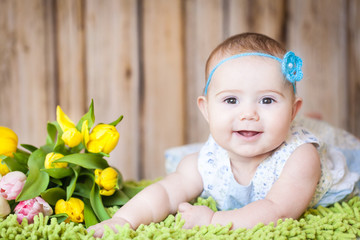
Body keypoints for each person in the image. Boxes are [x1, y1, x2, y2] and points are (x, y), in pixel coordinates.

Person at [88, 32, 360, 237]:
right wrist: (123, 220)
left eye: (267, 100)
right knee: (183, 167)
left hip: (334, 163)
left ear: (292, 110)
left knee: (339, 144)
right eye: (231, 100)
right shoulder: (206, 161)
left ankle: (312, 124)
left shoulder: (301, 157)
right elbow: (164, 193)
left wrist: (213, 221)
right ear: (206, 109)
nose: (248, 114)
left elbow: (278, 210)